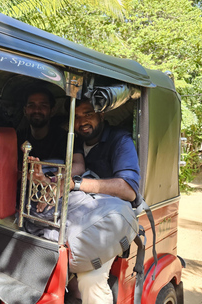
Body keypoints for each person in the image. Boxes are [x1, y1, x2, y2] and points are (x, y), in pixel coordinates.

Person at [67, 97, 140, 303]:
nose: (82, 121)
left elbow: (128, 190)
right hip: (79, 214)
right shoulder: (75, 141)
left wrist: (77, 184)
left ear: (101, 114)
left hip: (108, 220)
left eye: (88, 114)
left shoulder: (120, 141)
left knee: (91, 279)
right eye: (77, 116)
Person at [16, 85, 85, 177]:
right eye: (31, 105)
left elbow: (79, 166)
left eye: (43, 105)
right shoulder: (18, 137)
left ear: (52, 111)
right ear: (25, 111)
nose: (37, 110)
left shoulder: (65, 138)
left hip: (54, 187)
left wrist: (49, 178)